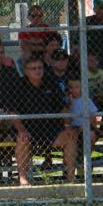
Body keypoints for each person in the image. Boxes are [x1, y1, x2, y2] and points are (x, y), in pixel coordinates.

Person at [13, 56, 77, 185]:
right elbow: (12, 113)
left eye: (40, 67)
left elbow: (62, 108)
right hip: (28, 129)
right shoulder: (19, 85)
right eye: (33, 68)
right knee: (22, 138)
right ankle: (23, 178)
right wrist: (22, 130)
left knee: (70, 136)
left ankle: (71, 178)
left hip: (50, 128)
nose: (37, 71)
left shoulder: (51, 83)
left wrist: (67, 125)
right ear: (26, 71)